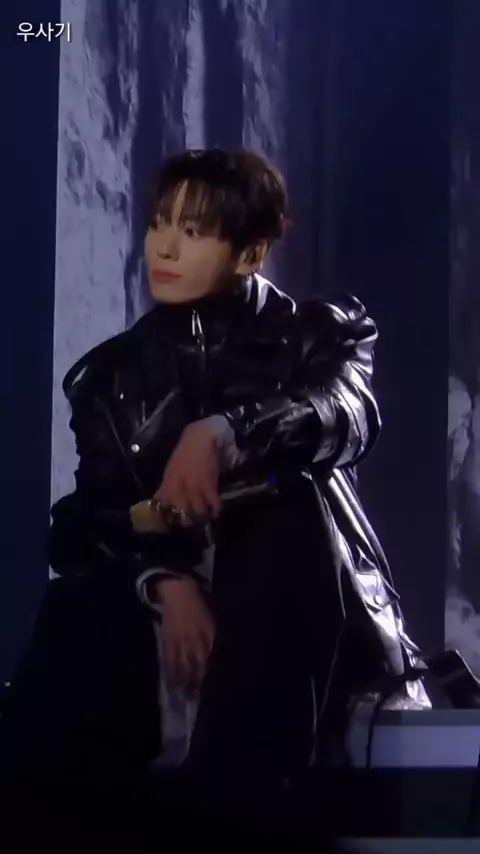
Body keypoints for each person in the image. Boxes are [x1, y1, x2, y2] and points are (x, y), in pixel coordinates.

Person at [0, 149, 427, 833]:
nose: (164, 247)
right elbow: (85, 521)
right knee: (75, 605)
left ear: (250, 254)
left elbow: (347, 415)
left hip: (304, 608)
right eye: (159, 223)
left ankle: (231, 816)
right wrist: (164, 582)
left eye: (194, 231)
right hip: (168, 613)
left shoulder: (317, 334)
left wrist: (228, 431)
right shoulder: (110, 377)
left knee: (286, 508)